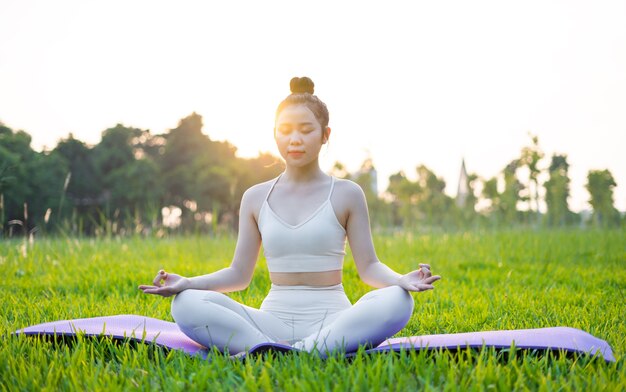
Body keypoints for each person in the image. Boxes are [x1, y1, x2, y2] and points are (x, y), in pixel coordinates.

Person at [139, 76, 441, 355]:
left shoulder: (347, 193)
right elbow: (238, 275)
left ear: (325, 135)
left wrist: (401, 280)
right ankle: (275, 347)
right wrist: (187, 283)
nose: (295, 139)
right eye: (285, 131)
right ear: (275, 135)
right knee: (186, 304)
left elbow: (370, 267)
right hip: (272, 322)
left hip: (336, 321)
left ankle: (283, 351)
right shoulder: (255, 197)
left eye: (306, 130)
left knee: (399, 300)